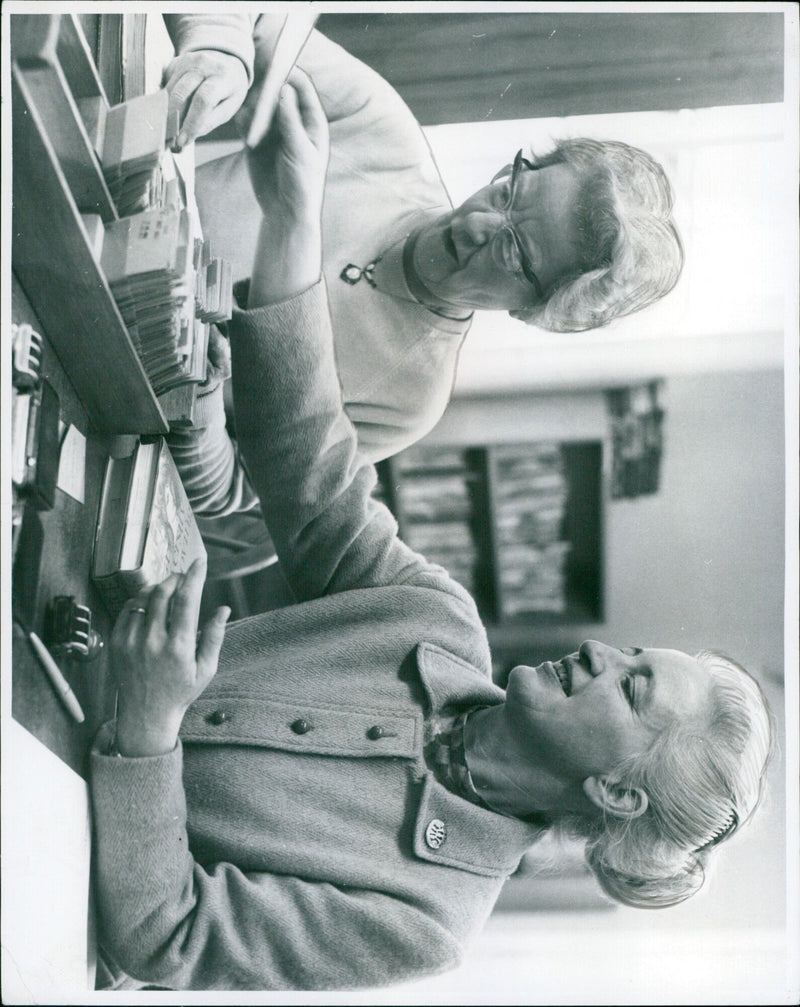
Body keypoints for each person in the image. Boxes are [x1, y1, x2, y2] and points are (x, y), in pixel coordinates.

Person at [90, 71, 771, 993]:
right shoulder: (436, 623)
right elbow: (312, 475)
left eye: (634, 684)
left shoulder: (426, 922)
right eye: (635, 650)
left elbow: (163, 936)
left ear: (616, 791)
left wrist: (148, 729)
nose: (603, 652)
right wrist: (291, 214)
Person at [159, 12, 684, 524]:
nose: (480, 222)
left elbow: (225, 493)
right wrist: (222, 50)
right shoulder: (381, 133)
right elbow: (260, 18)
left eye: (512, 249)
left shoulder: (410, 398)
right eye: (509, 190)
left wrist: (199, 387)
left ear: (531, 309)